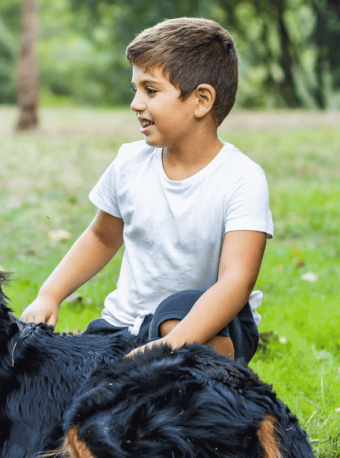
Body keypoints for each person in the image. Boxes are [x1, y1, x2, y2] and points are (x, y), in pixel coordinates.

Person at [20, 18, 273, 364]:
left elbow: (236, 282)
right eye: (135, 90)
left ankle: (215, 371)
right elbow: (101, 237)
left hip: (210, 326)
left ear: (201, 101)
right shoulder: (129, 163)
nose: (136, 103)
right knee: (65, 378)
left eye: (150, 91)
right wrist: (49, 295)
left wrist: (165, 348)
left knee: (172, 316)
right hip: (125, 327)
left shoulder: (242, 178)